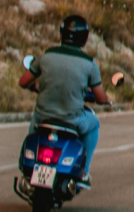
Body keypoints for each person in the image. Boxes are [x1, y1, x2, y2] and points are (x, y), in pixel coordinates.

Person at [18, 14, 109, 187]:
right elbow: (100, 96)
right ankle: (84, 172)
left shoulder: (46, 56)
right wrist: (105, 100)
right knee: (94, 124)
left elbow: (23, 82)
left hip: (43, 116)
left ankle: (25, 167)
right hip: (72, 119)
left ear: (62, 33)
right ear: (85, 38)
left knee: (34, 129)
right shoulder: (89, 64)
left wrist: (35, 87)